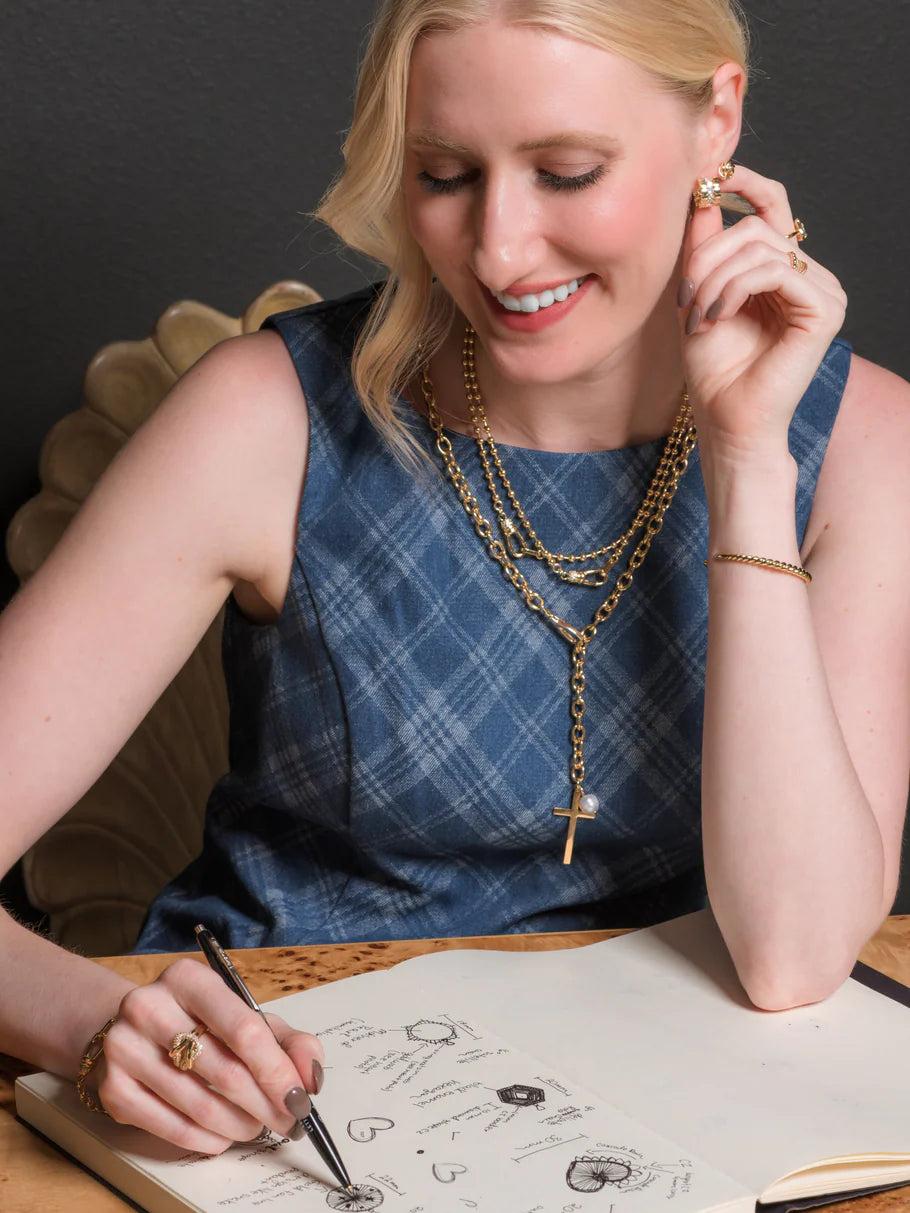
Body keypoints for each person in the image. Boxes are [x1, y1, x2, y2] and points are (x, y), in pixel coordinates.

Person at [1, 0, 909, 1157]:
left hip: (658, 1132)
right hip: (277, 1120)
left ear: (715, 121)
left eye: (567, 173)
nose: (498, 251)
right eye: (443, 174)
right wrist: (98, 1020)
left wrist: (745, 457)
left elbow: (792, 956)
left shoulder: (862, 443)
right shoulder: (264, 420)